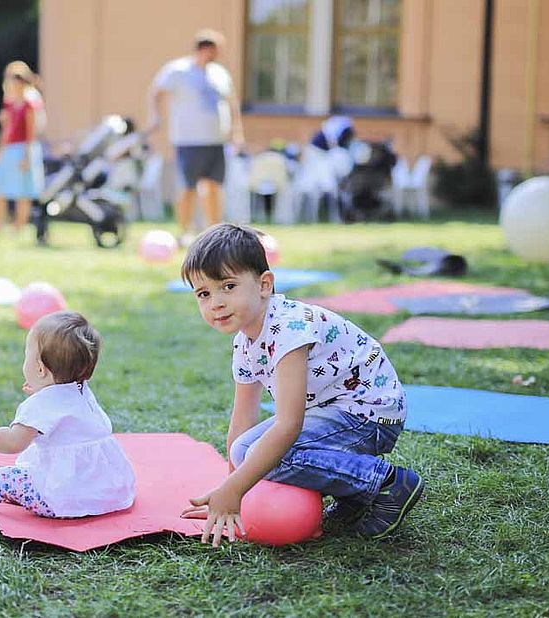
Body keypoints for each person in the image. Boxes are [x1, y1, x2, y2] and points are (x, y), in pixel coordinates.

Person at [178, 224, 424, 546]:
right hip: (333, 413)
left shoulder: (288, 329)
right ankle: (354, 495)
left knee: (266, 451)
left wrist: (235, 489)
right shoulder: (244, 342)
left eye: (228, 286)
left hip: (369, 415)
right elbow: (241, 424)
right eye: (204, 294)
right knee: (244, 449)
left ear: (264, 285)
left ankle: (386, 482)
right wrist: (229, 496)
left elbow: (289, 425)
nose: (216, 303)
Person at [0, 311, 136, 518]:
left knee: (2, 480)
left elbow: (12, 443)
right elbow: (61, 413)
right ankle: (24, 485)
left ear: (40, 369)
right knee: (21, 473)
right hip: (107, 492)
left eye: (26, 354)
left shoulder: (40, 405)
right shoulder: (81, 390)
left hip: (61, 498)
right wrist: (43, 388)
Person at [146, 29, 245, 246]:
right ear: (204, 49)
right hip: (188, 141)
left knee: (214, 186)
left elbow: (232, 102)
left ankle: (214, 233)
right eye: (215, 50)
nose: (218, 55)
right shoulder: (178, 70)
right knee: (187, 187)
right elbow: (156, 92)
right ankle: (185, 231)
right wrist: (155, 117)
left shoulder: (219, 73)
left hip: (216, 141)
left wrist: (237, 131)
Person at [0, 63, 45, 235]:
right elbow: (6, 131)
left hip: (24, 149)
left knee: (22, 191)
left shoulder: (30, 104)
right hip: (9, 149)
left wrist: (26, 156)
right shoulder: (10, 103)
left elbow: (31, 132)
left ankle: (19, 226)